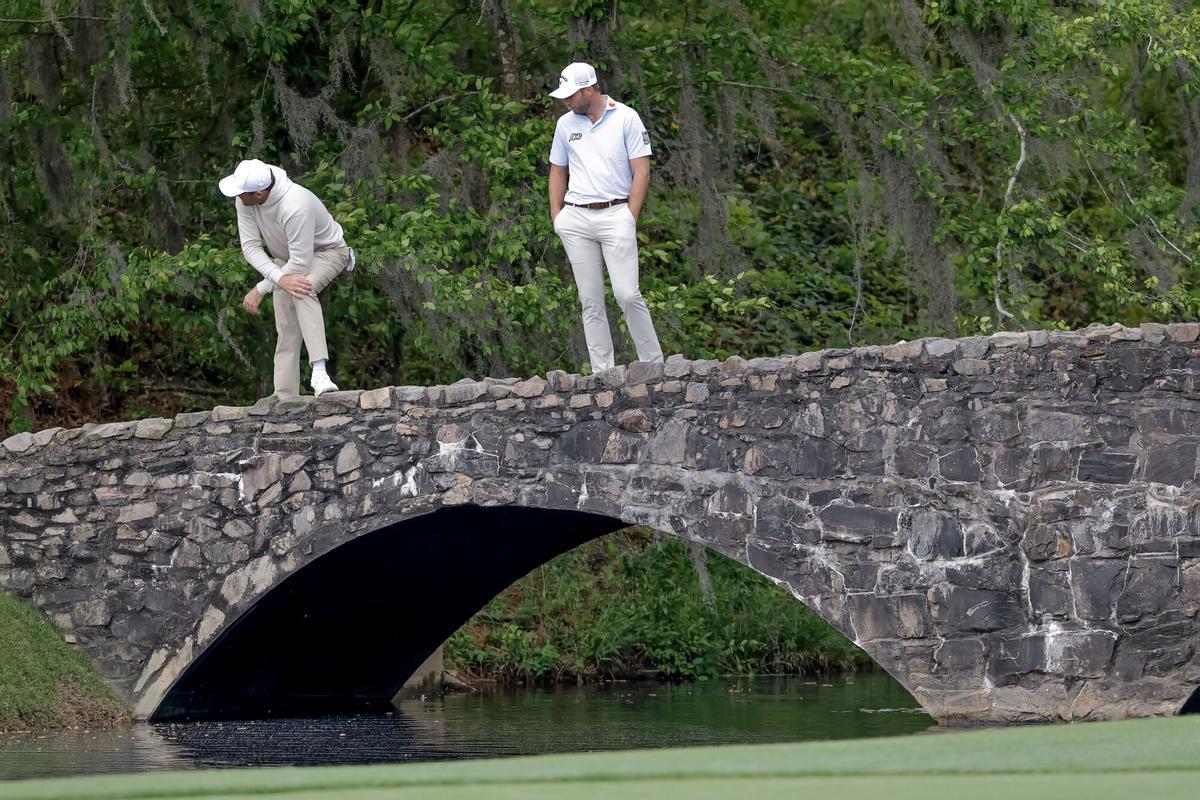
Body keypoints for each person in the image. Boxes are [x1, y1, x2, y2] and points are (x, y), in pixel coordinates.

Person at [548, 62, 664, 374]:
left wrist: (630, 216)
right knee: (590, 300)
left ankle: (653, 365)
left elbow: (642, 171)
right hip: (576, 217)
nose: (566, 101)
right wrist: (556, 215)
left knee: (627, 293)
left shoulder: (626, 117)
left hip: (616, 214)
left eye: (571, 94)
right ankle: (603, 372)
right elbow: (558, 169)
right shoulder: (565, 124)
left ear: (589, 90)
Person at [219, 159, 354, 397]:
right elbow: (250, 246)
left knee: (302, 288)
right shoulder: (245, 201)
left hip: (328, 252)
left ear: (259, 193)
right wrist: (278, 278)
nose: (237, 197)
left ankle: (320, 371)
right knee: (286, 324)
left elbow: (301, 265)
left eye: (241, 194)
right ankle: (284, 394)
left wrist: (261, 288)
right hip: (285, 261)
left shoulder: (296, 204)